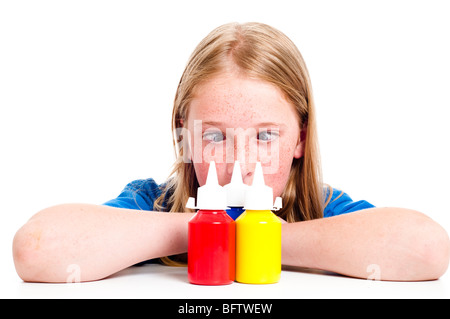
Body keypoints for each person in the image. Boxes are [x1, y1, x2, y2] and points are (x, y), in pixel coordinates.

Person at [13, 22, 449, 283]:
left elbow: (429, 249)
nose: (239, 164)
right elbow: (37, 249)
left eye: (265, 137)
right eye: (216, 137)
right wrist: (203, 230)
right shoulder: (153, 204)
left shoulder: (322, 208)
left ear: (300, 138)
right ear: (184, 137)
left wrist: (263, 237)